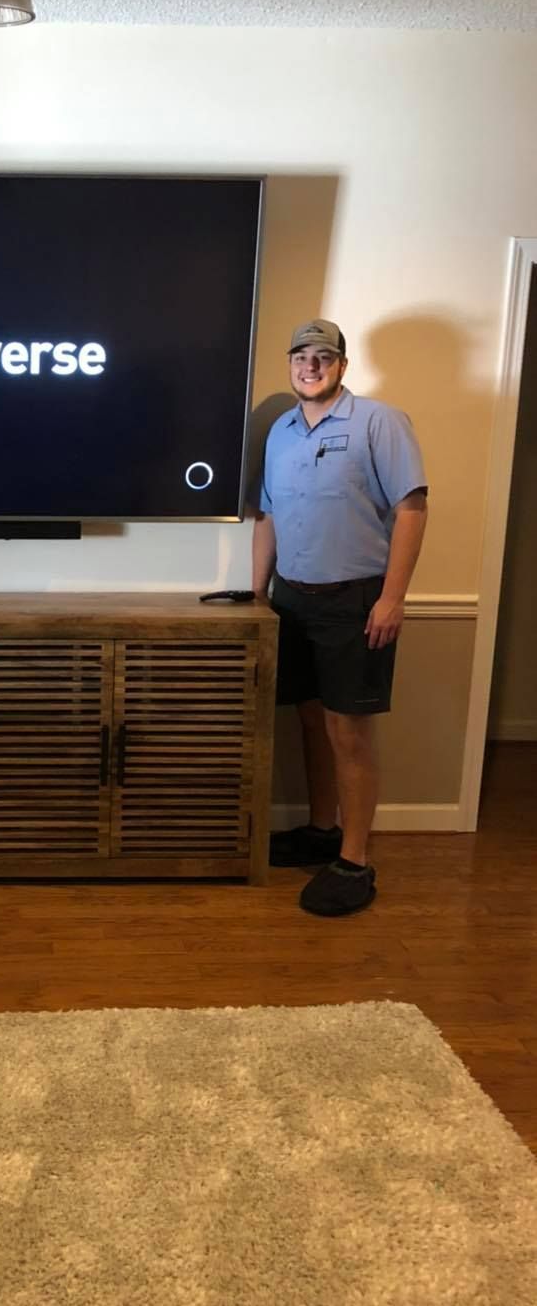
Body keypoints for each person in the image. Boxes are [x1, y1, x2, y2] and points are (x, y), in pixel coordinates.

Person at [252, 319, 428, 916]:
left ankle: (354, 862)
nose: (310, 365)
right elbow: (268, 516)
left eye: (322, 355)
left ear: (342, 365)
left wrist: (393, 598)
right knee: (309, 720)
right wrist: (257, 594)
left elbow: (411, 509)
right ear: (291, 364)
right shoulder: (279, 432)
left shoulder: (379, 421)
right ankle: (320, 829)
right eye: (300, 354)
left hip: (356, 600)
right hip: (293, 597)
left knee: (347, 732)